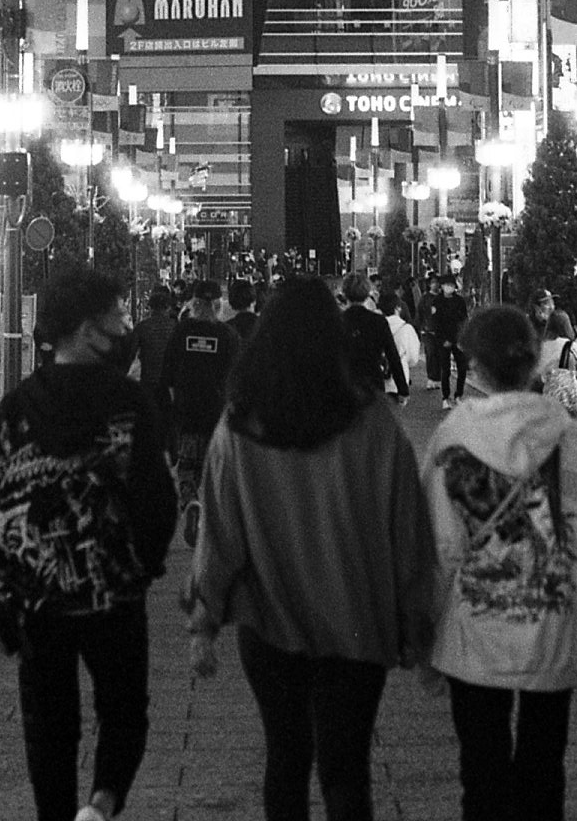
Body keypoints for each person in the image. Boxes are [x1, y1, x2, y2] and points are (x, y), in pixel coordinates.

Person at [185, 277, 433, 821]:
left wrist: (205, 618)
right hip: (357, 623)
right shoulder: (372, 420)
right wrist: (419, 625)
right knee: (347, 771)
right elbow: (407, 528)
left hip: (269, 622)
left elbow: (221, 532)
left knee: (286, 758)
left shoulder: (240, 423)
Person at [421, 304, 577, 821]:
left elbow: (440, 550)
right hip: (552, 630)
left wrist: (422, 639)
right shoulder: (568, 437)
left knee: (481, 777)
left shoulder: (454, 438)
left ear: (476, 365)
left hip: (474, 636)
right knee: (544, 771)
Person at [0, 270, 176, 821]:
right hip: (114, 589)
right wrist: (143, 563)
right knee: (124, 709)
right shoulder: (129, 403)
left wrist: (25, 559)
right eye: (118, 316)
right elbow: (157, 498)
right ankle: (101, 804)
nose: (125, 327)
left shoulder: (17, 406)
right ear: (89, 330)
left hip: (37, 596)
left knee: (48, 723)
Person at [159, 279, 240, 544]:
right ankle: (212, 515)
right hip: (217, 412)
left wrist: (176, 402)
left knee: (187, 467)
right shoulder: (227, 335)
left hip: (188, 409)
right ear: (217, 305)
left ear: (193, 304)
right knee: (215, 467)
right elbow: (236, 376)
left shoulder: (182, 331)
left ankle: (191, 502)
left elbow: (168, 372)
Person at [339, 272, 409, 402]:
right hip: (373, 381)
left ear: (344, 293)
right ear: (367, 293)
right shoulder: (378, 321)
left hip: (345, 383)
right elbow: (392, 355)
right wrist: (402, 389)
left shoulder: (337, 321)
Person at [378, 286, 421, 403]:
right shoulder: (406, 328)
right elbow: (413, 358)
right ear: (397, 308)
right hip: (398, 381)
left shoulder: (374, 326)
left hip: (377, 379)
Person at [432, 271, 468, 409]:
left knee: (462, 367)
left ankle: (459, 395)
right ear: (442, 286)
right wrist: (443, 340)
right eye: (447, 285)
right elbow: (436, 322)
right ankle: (445, 397)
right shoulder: (437, 301)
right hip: (443, 340)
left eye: (451, 285)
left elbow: (464, 320)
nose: (449, 287)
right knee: (445, 369)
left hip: (458, 339)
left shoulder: (459, 301)